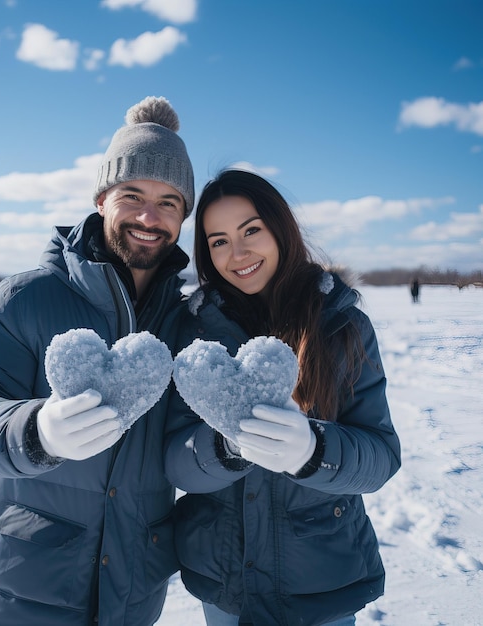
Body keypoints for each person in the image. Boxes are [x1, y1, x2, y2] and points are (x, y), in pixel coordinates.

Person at [0, 96, 194, 626]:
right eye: (132, 195)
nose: (150, 217)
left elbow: (182, 446)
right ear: (101, 199)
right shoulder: (27, 298)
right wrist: (35, 432)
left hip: (133, 589)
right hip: (20, 585)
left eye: (169, 202)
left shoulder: (187, 325)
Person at [165, 169, 401, 625]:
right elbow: (172, 459)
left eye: (251, 230)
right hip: (224, 582)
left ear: (280, 227)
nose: (238, 253)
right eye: (218, 241)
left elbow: (381, 455)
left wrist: (314, 451)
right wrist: (224, 448)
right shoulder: (192, 336)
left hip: (319, 580)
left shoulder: (341, 326)